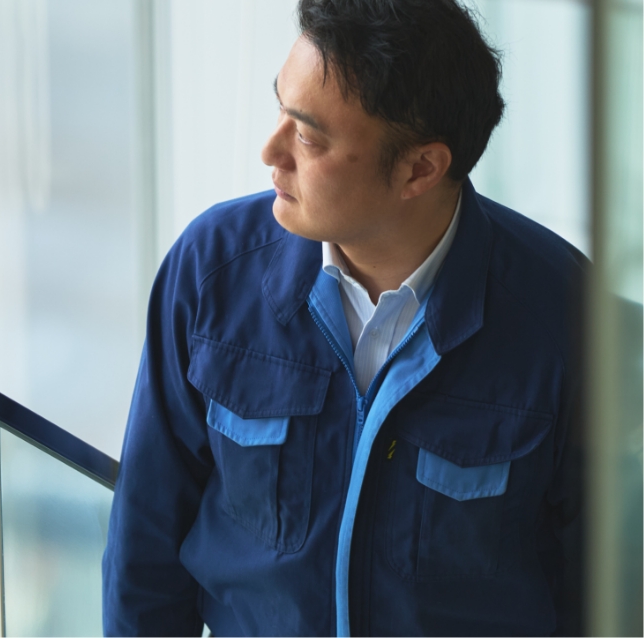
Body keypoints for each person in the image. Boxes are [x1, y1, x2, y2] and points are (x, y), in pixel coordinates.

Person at [102, 0, 586, 635]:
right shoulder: (210, 272)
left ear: (420, 168)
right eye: (281, 109)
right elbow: (144, 553)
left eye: (308, 137)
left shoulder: (566, 321)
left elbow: (601, 594)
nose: (270, 150)